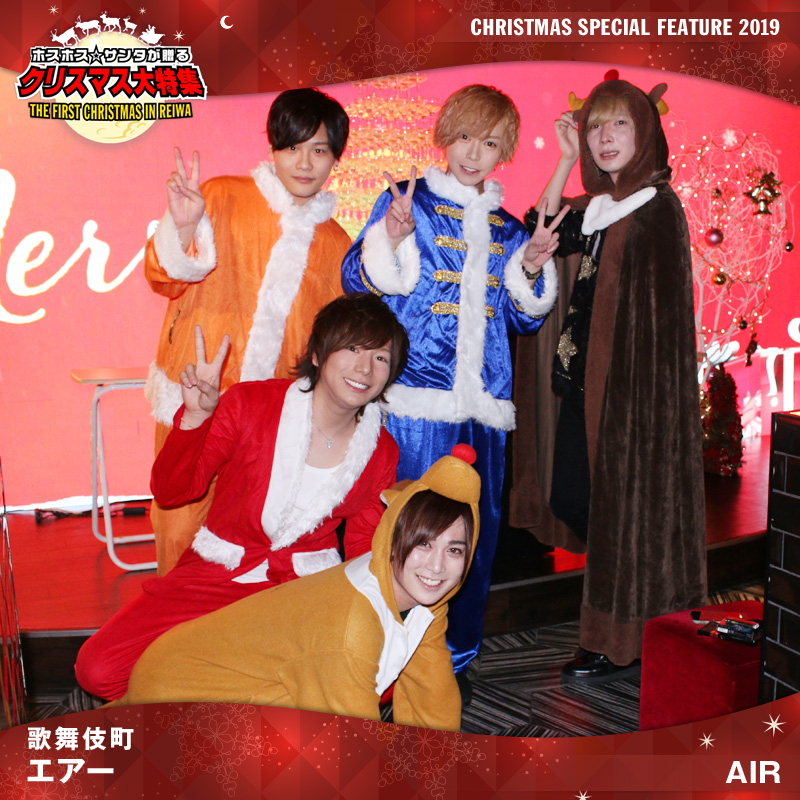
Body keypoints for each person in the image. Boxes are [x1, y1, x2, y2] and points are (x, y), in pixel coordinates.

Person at [75, 293, 409, 701]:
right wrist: (196, 418)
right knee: (99, 669)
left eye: (380, 357)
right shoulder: (251, 403)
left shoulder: (380, 449)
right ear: (318, 354)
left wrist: (379, 614)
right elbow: (173, 491)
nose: (365, 368)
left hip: (299, 591)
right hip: (217, 574)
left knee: (379, 679)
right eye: (353, 348)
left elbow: (362, 546)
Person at [341, 84, 565, 679]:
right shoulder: (407, 202)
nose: (473, 153)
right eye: (465, 136)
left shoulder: (510, 230)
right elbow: (357, 282)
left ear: (504, 153)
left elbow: (522, 317)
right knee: (404, 531)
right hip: (414, 406)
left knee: (472, 541)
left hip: (484, 411)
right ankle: (379, 660)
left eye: (489, 143)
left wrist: (532, 268)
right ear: (445, 136)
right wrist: (391, 236)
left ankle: (453, 662)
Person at [518, 73, 707, 683]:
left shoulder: (657, 208)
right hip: (584, 387)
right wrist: (563, 160)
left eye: (619, 123)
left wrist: (640, 407)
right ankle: (633, 625)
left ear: (645, 132)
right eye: (595, 126)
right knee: (575, 500)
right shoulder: (601, 207)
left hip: (631, 402)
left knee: (618, 514)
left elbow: (663, 331)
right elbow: (541, 226)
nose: (604, 137)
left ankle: (617, 640)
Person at [115, 447, 481, 731]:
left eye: (454, 550)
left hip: (226, 681)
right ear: (393, 537)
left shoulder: (423, 601)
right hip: (178, 691)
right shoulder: (352, 625)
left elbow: (430, 698)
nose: (437, 566)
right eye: (424, 544)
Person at [145, 87, 352, 575]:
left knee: (255, 541)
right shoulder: (220, 196)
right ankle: (174, 623)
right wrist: (181, 229)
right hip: (197, 394)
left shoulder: (336, 244)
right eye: (293, 147)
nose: (305, 163)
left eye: (320, 150)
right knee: (179, 524)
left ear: (335, 159)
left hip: (271, 420)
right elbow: (163, 277)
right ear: (273, 147)